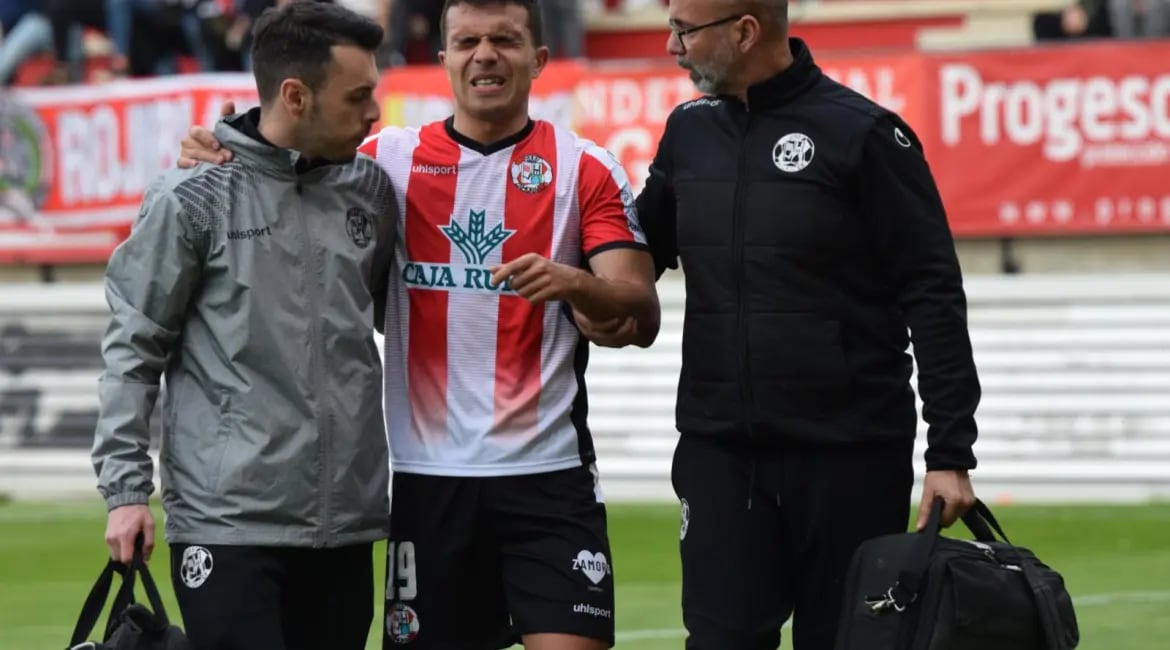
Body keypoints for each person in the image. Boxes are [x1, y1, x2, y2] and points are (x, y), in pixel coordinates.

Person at [178, 1, 661, 648]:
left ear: (539, 59)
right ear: (444, 61)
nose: (485, 54)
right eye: (467, 41)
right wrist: (217, 146)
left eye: (505, 40)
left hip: (548, 477)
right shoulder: (383, 162)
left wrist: (575, 283)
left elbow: (641, 309)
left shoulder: (586, 167)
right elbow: (278, 156)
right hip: (427, 481)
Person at [578, 1, 982, 648]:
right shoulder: (688, 131)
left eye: (685, 30)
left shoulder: (867, 135)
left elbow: (933, 294)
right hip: (720, 453)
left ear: (744, 31)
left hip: (851, 456)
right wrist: (590, 291)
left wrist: (950, 453)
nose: (671, 45)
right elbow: (640, 252)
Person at [92, 3, 396, 650]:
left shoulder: (371, 190)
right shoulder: (191, 197)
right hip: (227, 527)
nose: (375, 114)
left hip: (343, 527)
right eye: (359, 96)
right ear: (295, 94)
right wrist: (125, 492)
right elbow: (133, 346)